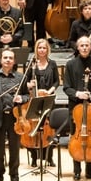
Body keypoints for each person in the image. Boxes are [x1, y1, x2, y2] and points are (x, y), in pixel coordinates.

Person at [63, 36, 91, 180]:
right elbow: (66, 87)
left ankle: (90, 171)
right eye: (82, 45)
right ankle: (76, 170)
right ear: (78, 48)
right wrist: (77, 94)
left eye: (87, 45)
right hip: (75, 108)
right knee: (77, 137)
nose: (85, 48)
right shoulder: (70, 64)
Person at [0, 48, 29, 181]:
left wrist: (21, 98)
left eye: (10, 58)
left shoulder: (20, 77)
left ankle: (14, 177)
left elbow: (27, 96)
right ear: (1, 60)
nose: (7, 60)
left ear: (14, 61)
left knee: (14, 149)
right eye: (5, 57)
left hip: (15, 118)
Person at [25, 38, 60, 167]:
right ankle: (34, 157)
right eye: (39, 48)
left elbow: (57, 81)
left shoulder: (53, 64)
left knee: (49, 128)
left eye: (44, 48)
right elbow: (26, 82)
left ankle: (49, 157)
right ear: (36, 49)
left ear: (47, 50)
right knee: (34, 128)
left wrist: (50, 91)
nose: (42, 50)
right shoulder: (31, 63)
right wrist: (31, 86)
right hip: (35, 99)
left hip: (49, 99)